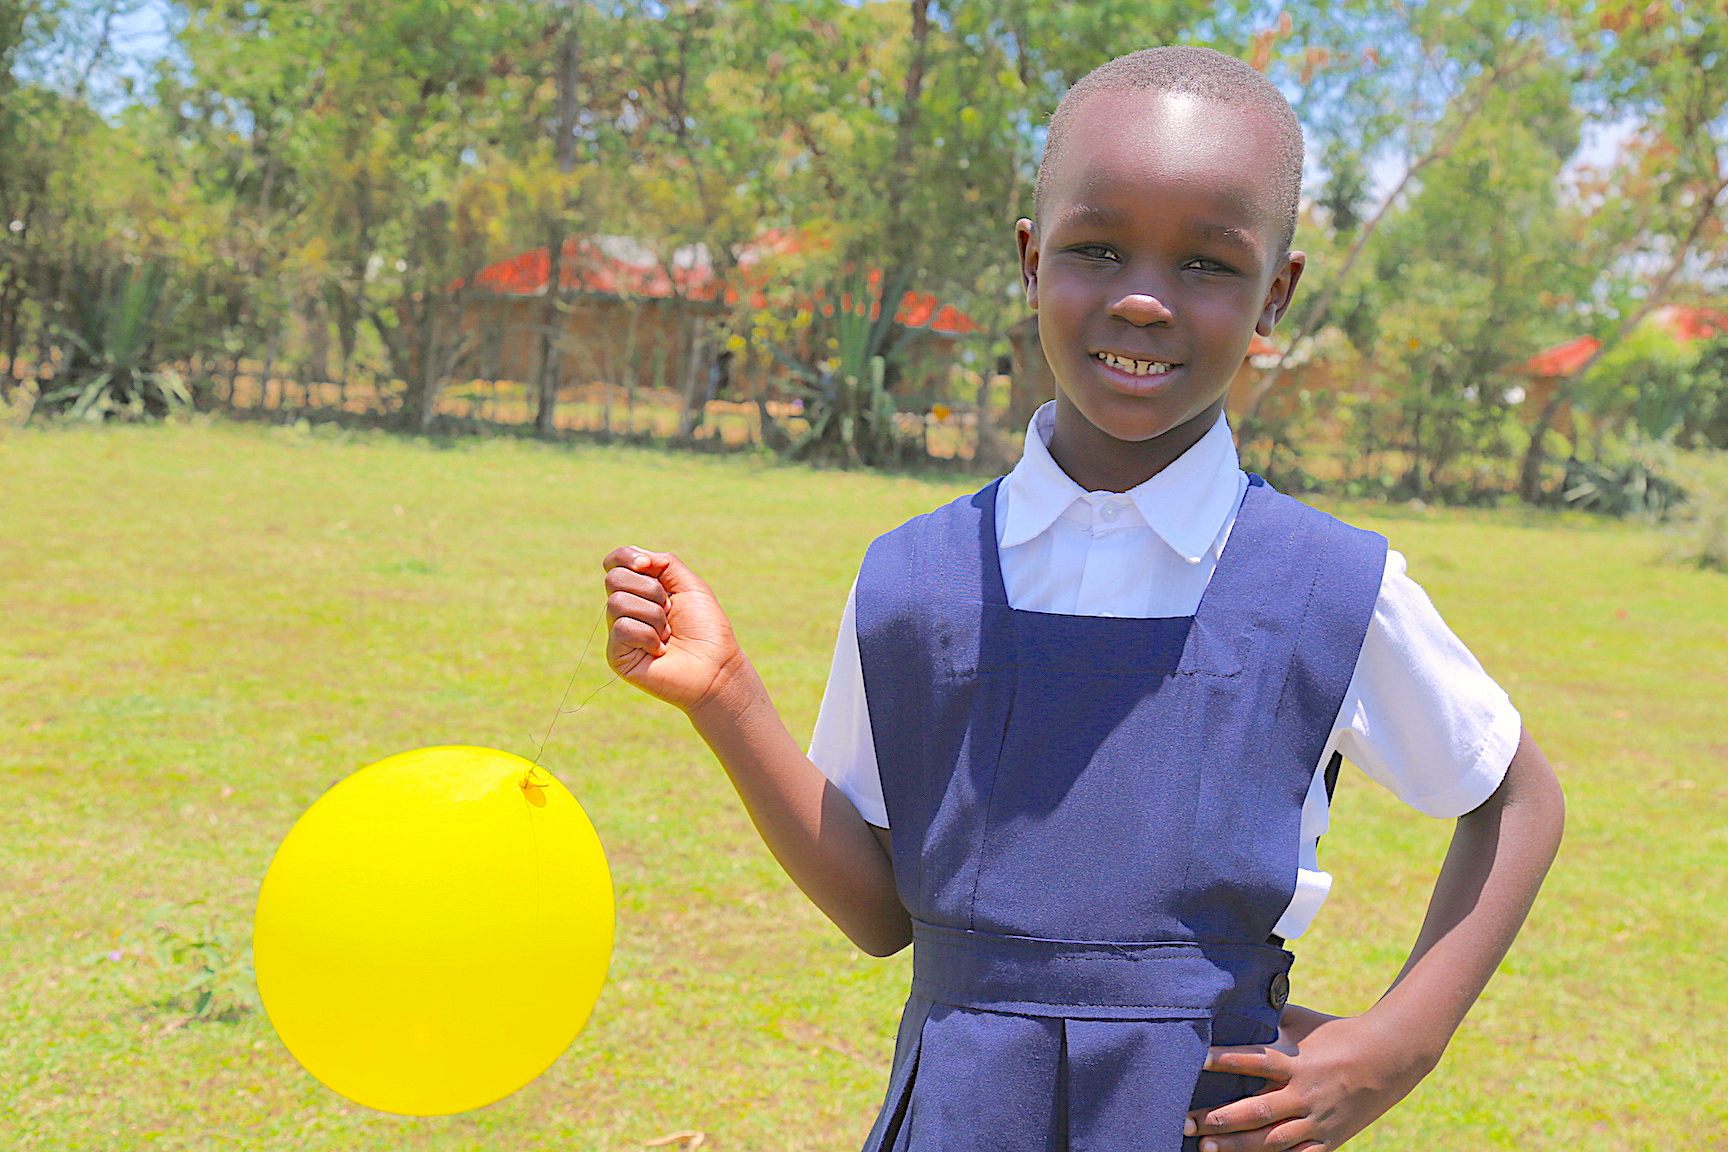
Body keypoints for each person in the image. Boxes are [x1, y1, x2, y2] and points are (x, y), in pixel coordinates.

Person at [602, 45, 1564, 1152]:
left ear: (1277, 292)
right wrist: (724, 693)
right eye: (1097, 249)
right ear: (1030, 257)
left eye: (1207, 263)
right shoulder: (916, 579)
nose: (1144, 299)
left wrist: (1399, 1043)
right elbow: (879, 914)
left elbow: (1517, 800)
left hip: (1199, 1122)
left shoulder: (1330, 584)